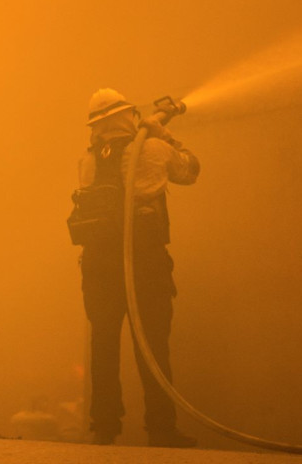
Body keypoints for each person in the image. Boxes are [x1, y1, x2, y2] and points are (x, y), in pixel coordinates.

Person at [73, 88, 199, 447]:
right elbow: (191, 170)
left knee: (103, 342)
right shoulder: (153, 148)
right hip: (143, 260)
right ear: (127, 116)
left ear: (96, 126)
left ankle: (104, 427)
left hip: (98, 263)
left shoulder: (87, 161)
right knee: (153, 344)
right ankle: (161, 428)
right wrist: (162, 131)